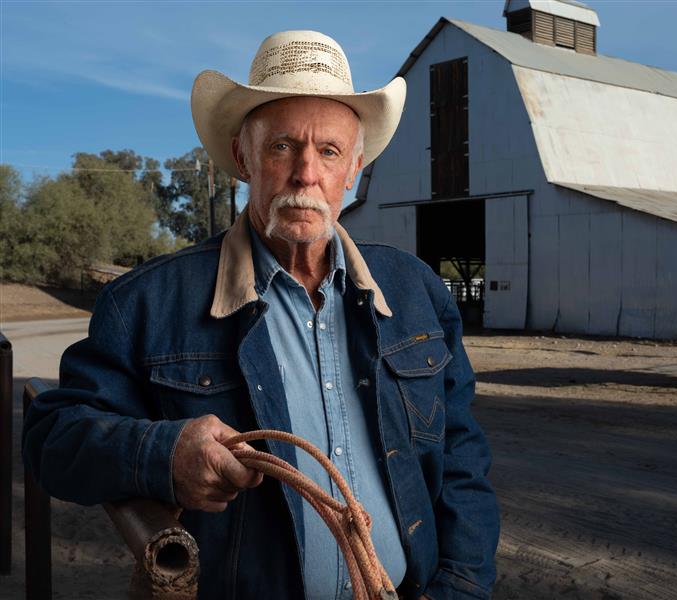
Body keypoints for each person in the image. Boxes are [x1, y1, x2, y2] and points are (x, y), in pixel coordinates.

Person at [22, 30, 499, 600]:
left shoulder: (414, 289)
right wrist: (163, 454)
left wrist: (462, 585)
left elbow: (461, 457)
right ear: (242, 157)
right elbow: (53, 440)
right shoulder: (147, 302)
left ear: (354, 168)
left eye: (329, 151)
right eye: (280, 147)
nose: (305, 173)